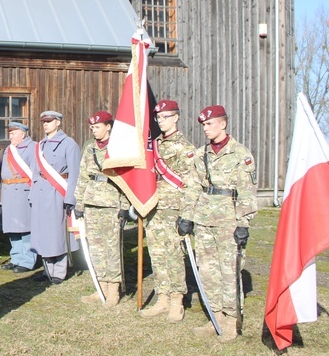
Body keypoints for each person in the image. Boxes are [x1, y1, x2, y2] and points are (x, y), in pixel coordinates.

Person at [180, 105, 258, 342]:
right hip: (204, 219)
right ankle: (215, 317)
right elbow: (193, 185)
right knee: (208, 270)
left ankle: (231, 320)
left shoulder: (240, 154)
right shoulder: (200, 154)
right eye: (203, 125)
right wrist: (186, 216)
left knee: (229, 271)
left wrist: (243, 223)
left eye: (210, 124)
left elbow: (246, 191)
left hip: (228, 222)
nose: (205, 129)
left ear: (223, 124)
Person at [139, 100, 197, 321]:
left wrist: (187, 214)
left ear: (176, 117)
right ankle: (162, 297)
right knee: (157, 253)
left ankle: (176, 300)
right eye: (158, 118)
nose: (161, 122)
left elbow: (190, 183)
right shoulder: (154, 145)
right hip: (154, 206)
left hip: (174, 207)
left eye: (165, 117)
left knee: (173, 254)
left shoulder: (186, 148)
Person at [74, 111, 129, 306]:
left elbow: (125, 179)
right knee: (96, 248)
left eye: (97, 127)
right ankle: (101, 287)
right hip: (91, 203)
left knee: (111, 248)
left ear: (108, 126)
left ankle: (114, 289)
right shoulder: (89, 150)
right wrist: (79, 203)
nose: (94, 130)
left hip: (110, 203)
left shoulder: (118, 149)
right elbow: (82, 177)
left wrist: (124, 205)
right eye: (92, 128)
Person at [30, 111, 80, 285]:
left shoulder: (69, 144)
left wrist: (70, 198)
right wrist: (33, 193)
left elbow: (74, 174)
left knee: (57, 232)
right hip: (41, 192)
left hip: (58, 191)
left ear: (58, 122)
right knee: (42, 231)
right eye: (43, 121)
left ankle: (59, 271)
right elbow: (35, 172)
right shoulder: (40, 145)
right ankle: (46, 269)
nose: (45, 124)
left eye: (49, 121)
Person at [0, 121, 36, 273]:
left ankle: (27, 260)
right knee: (12, 228)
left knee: (26, 228)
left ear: (22, 133)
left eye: (13, 133)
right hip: (8, 192)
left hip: (23, 192)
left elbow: (35, 173)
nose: (10, 136)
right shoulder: (9, 149)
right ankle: (16, 258)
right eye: (10, 133)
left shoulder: (33, 147)